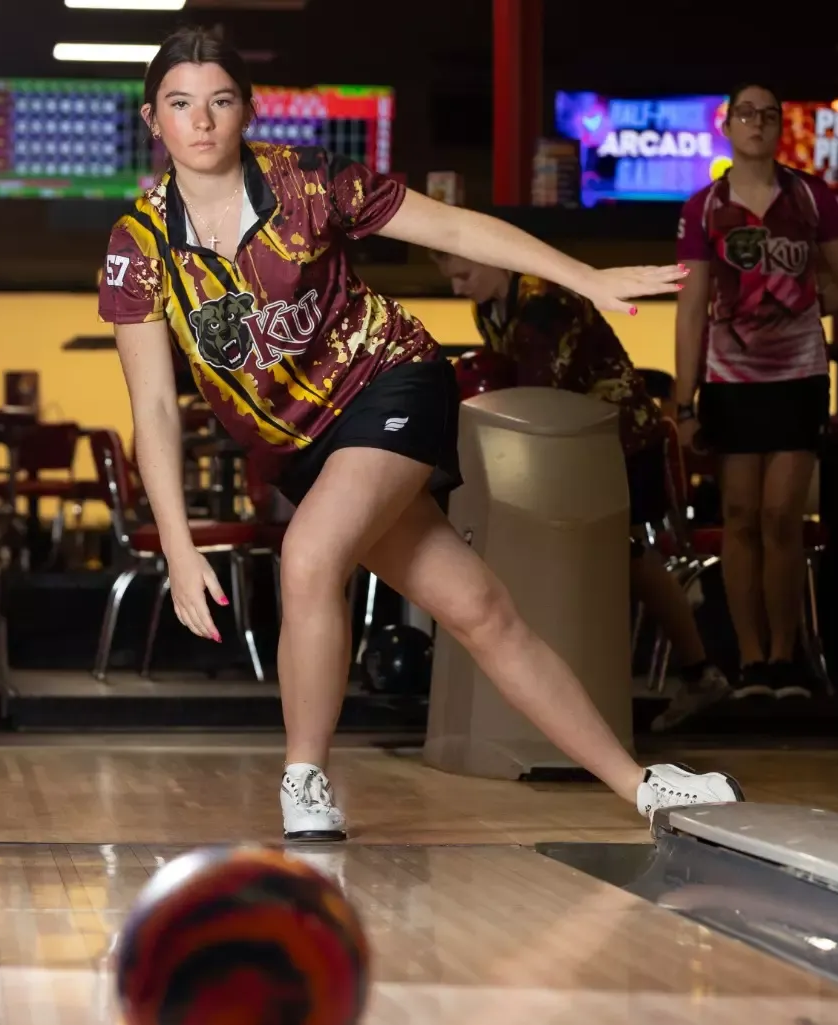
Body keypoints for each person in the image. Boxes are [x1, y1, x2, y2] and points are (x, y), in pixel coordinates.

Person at [98, 26, 743, 839]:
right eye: (181, 104)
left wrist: (583, 275)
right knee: (479, 608)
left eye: (220, 101)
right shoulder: (139, 248)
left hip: (390, 384)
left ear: (247, 111)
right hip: (301, 448)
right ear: (154, 121)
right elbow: (153, 406)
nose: (202, 121)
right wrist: (179, 543)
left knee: (308, 556)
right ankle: (644, 783)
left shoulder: (310, 186)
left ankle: (304, 778)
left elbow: (457, 230)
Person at [430, 250, 733, 731]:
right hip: (566, 443)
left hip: (619, 439)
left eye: (464, 274)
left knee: (630, 554)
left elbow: (537, 391)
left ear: (495, 260)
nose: (457, 287)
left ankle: (694, 671)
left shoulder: (545, 301)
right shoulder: (491, 309)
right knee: (618, 557)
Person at [670, 82, 838, 701]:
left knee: (783, 516)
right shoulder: (704, 206)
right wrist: (682, 401)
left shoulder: (811, 196)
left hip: (799, 375)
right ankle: (751, 662)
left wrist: (802, 306)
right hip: (731, 381)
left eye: (768, 114)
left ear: (780, 128)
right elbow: (692, 304)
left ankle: (787, 659)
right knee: (739, 516)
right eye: (744, 113)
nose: (756, 122)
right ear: (727, 127)